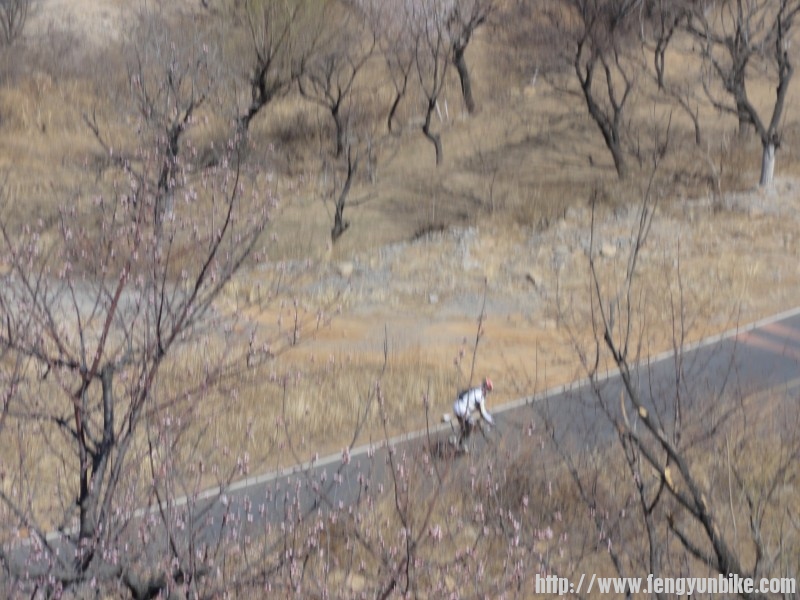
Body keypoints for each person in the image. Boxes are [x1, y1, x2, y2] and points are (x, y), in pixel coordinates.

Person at [450, 377, 494, 452]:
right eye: (488, 390)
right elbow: (483, 412)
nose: (487, 393)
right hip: (463, 409)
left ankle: (456, 441)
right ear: (486, 389)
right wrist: (491, 421)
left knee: (465, 426)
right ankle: (457, 442)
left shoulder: (475, 389)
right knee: (470, 427)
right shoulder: (480, 396)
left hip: (456, 405)